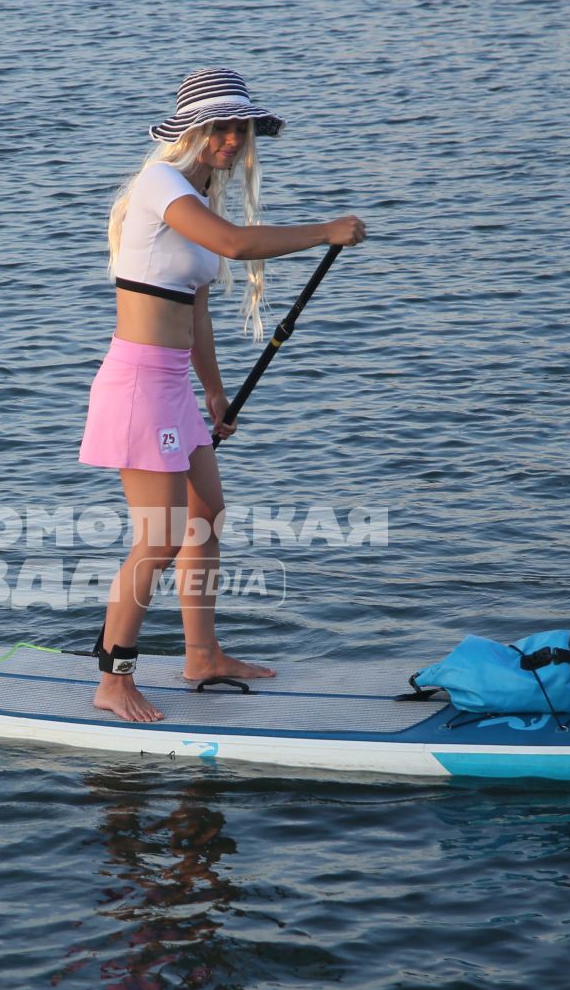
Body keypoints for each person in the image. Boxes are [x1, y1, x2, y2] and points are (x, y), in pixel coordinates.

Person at [79, 68, 367, 723]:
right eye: (220, 126)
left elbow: (197, 312)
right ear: (191, 131)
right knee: (159, 534)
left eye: (241, 127)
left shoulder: (200, 202)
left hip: (174, 386)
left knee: (207, 514)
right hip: (136, 385)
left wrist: (213, 393)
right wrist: (325, 230)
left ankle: (201, 654)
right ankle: (113, 676)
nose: (232, 139)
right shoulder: (161, 184)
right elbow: (236, 248)